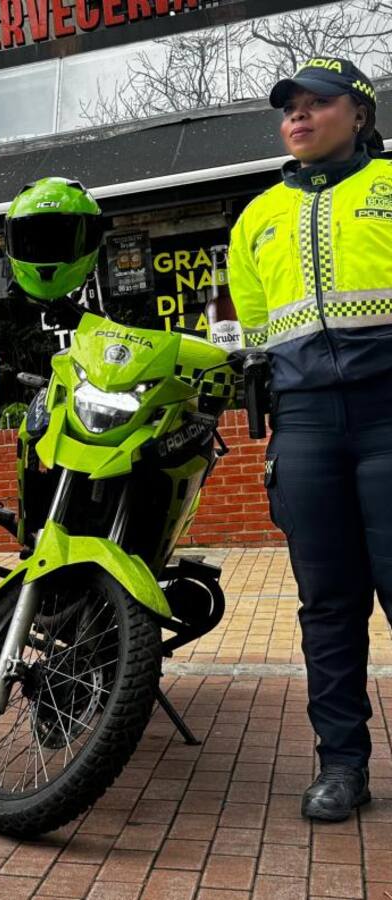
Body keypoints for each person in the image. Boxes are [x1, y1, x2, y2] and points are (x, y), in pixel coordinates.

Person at [229, 58, 392, 822]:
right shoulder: (254, 217)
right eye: (288, 107)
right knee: (327, 606)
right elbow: (257, 338)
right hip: (305, 426)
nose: (298, 116)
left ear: (359, 113)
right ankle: (341, 766)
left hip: (390, 412)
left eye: (316, 103)